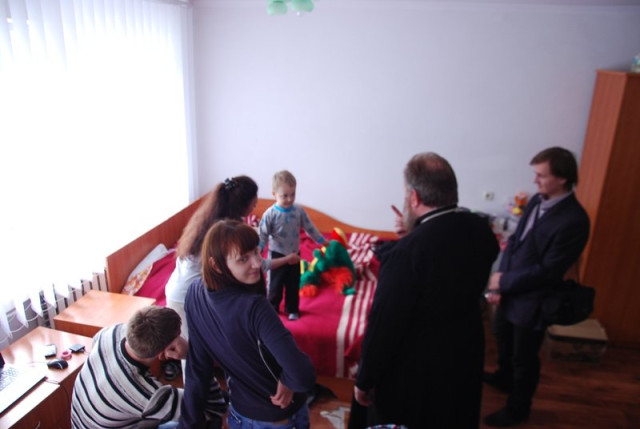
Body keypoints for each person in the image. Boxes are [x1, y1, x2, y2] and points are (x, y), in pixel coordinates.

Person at [351, 152, 500, 428]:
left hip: (420, 369)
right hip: (466, 349)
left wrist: (365, 379)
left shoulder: (406, 255)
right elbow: (447, 262)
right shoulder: (481, 230)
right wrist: (412, 236)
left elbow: (384, 324)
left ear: (414, 197)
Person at [484, 147, 590, 427]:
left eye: (541, 175)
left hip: (533, 300)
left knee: (524, 358)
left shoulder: (574, 220)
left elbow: (548, 271)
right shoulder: (535, 201)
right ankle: (503, 378)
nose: (535, 180)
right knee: (503, 338)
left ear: (563, 178)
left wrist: (504, 282)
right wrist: (499, 283)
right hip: (509, 289)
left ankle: (518, 409)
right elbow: (515, 242)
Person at [179, 220, 316, 429]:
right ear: (216, 266)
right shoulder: (255, 308)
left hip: (239, 414)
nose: (257, 264)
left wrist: (188, 423)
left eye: (256, 252)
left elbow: (197, 369)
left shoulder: (194, 293)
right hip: (276, 418)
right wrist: (289, 379)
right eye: (243, 259)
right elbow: (303, 375)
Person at [71, 306, 226, 429]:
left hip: (81, 424)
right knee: (208, 422)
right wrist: (192, 355)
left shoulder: (110, 332)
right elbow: (215, 408)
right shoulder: (151, 396)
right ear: (164, 353)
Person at [258, 170, 328, 321]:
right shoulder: (270, 214)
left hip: (295, 255)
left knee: (293, 284)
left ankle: (292, 309)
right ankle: (273, 308)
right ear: (274, 194)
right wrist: (259, 248)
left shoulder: (298, 210)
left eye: (293, 194)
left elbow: (310, 227)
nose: (289, 199)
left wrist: (322, 241)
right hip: (277, 255)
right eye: (284, 196)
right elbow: (262, 234)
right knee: (275, 285)